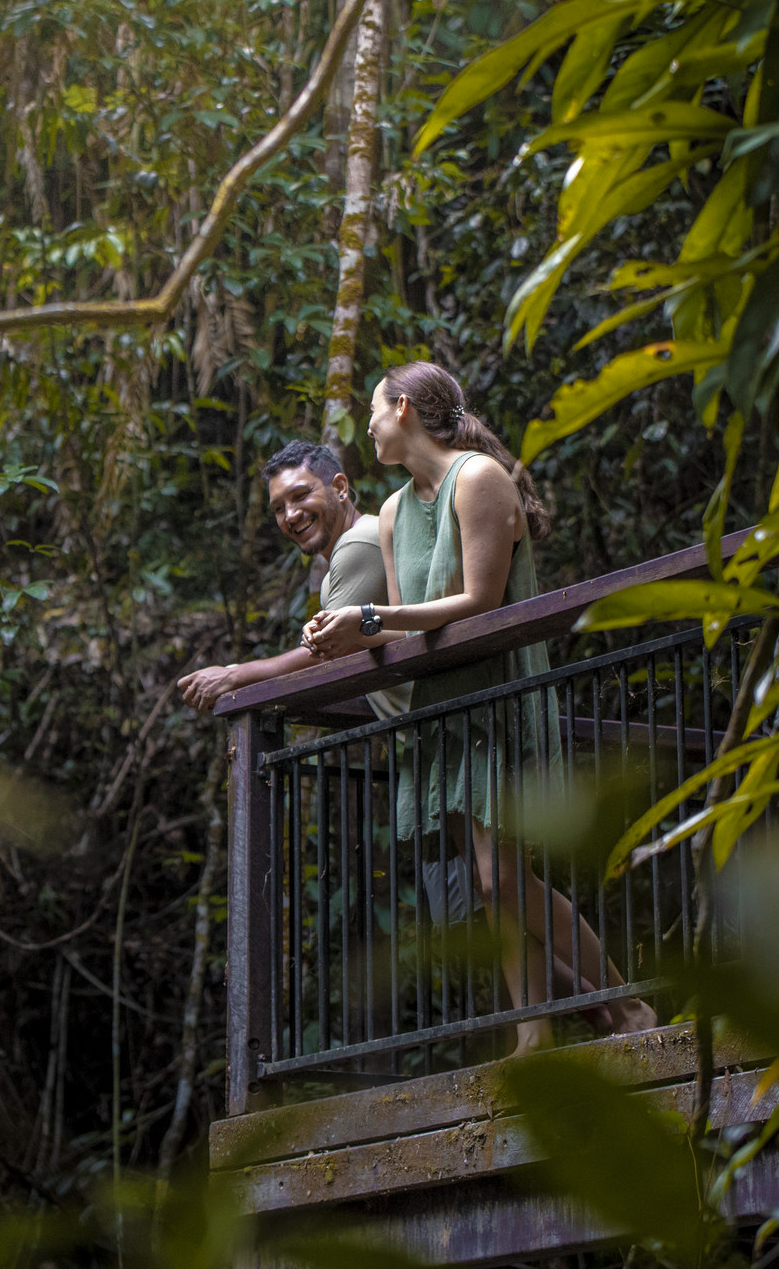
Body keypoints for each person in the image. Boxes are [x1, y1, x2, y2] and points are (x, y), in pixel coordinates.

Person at [302, 360, 657, 1051]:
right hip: (443, 711)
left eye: (372, 411)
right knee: (492, 883)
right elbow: (409, 622)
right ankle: (530, 1036)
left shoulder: (479, 478)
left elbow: (478, 603)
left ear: (402, 408)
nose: (367, 426)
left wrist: (367, 618)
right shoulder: (394, 513)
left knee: (500, 881)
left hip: (498, 694)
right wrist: (345, 637)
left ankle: (629, 1006)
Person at [176, 440, 408, 710]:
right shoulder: (332, 574)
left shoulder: (360, 541)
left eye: (300, 496)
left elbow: (327, 652)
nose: (291, 515)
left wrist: (235, 675)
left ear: (340, 488)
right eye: (278, 508)